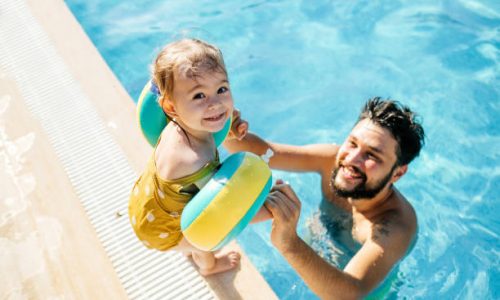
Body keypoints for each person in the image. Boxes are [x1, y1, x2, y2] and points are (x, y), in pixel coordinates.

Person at [225, 98, 425, 298]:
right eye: (352, 143)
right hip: (315, 255)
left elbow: (349, 294)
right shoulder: (331, 160)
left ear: (398, 173)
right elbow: (264, 152)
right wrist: (224, 129)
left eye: (371, 155)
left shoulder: (395, 226)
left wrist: (289, 242)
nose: (351, 159)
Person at [128, 38, 266, 276]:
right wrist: (268, 205)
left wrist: (230, 126)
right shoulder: (192, 160)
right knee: (204, 241)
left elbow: (214, 126)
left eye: (221, 89)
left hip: (144, 204)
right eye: (199, 96)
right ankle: (209, 268)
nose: (215, 104)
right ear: (171, 107)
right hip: (162, 230)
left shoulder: (178, 125)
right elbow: (223, 208)